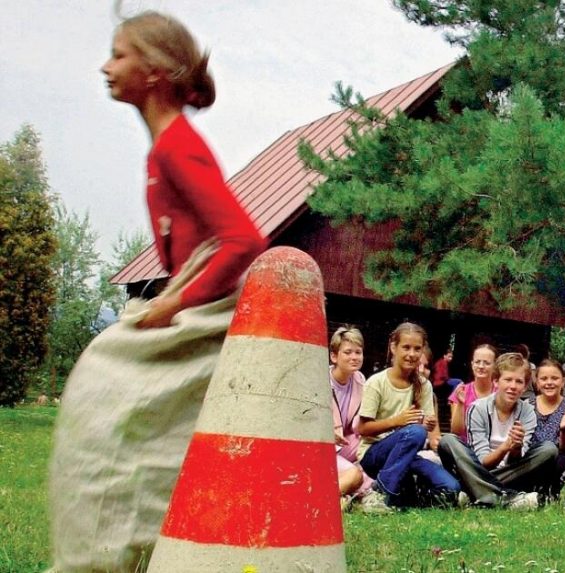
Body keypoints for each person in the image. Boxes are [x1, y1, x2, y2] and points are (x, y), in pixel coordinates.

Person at [49, 11, 266, 571]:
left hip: (207, 310)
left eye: (119, 54)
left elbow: (242, 238)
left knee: (103, 381)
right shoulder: (161, 150)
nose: (106, 66)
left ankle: (104, 550)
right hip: (190, 300)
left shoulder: (176, 148)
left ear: (153, 71)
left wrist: (173, 302)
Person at [357, 323, 460, 513]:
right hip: (374, 454)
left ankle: (406, 498)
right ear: (393, 347)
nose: (412, 354)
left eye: (417, 349)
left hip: (407, 453)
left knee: (450, 488)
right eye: (406, 347)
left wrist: (428, 424)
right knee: (414, 432)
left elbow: (426, 427)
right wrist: (398, 421)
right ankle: (379, 494)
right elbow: (362, 429)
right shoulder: (376, 382)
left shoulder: (424, 386)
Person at [438, 353, 556, 508]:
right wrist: (504, 447)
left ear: (525, 386)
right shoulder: (478, 408)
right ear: (496, 381)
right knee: (448, 441)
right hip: (478, 467)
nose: (513, 386)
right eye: (507, 380)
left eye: (519, 382)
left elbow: (516, 461)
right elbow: (482, 462)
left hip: (509, 472)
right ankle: (509, 499)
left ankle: (474, 491)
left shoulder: (528, 412)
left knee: (549, 449)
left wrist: (516, 447)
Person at [328, 327, 373, 509]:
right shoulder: (320, 380)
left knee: (373, 451)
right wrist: (328, 433)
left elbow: (358, 424)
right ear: (334, 356)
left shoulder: (360, 380)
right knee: (356, 475)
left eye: (358, 352)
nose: (354, 357)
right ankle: (329, 498)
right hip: (324, 445)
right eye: (347, 352)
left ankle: (353, 494)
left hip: (345, 442)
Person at [529, 358, 565, 498]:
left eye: (554, 378)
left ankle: (549, 492)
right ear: (537, 382)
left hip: (558, 457)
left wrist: (563, 430)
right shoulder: (528, 405)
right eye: (544, 379)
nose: (549, 382)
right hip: (533, 456)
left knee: (560, 461)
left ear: (562, 382)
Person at [450, 343, 498, 441]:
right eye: (477, 362)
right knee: (448, 440)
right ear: (472, 365)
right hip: (466, 446)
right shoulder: (461, 390)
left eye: (486, 363)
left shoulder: (500, 392)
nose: (481, 366)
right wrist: (460, 404)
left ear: (494, 366)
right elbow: (456, 431)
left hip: (492, 446)